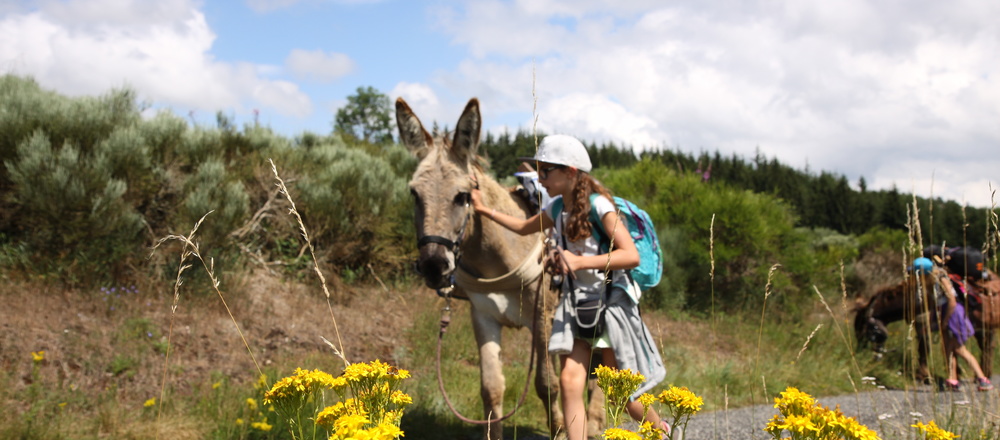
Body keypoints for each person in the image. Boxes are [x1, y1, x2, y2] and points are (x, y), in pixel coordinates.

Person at [470, 134, 669, 440]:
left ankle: (664, 432)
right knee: (569, 382)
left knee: (622, 394)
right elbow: (525, 227)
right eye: (538, 169)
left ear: (571, 172)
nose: (540, 177)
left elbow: (630, 256)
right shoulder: (557, 206)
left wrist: (578, 263)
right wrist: (484, 211)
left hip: (609, 307)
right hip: (576, 306)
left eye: (546, 170)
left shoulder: (599, 205)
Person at [913, 257, 994, 391]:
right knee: (948, 349)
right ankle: (953, 379)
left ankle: (983, 379)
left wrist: (945, 321)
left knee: (959, 349)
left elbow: (952, 301)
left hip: (953, 315)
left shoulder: (941, 279)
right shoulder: (932, 282)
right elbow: (936, 305)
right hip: (945, 314)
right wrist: (932, 322)